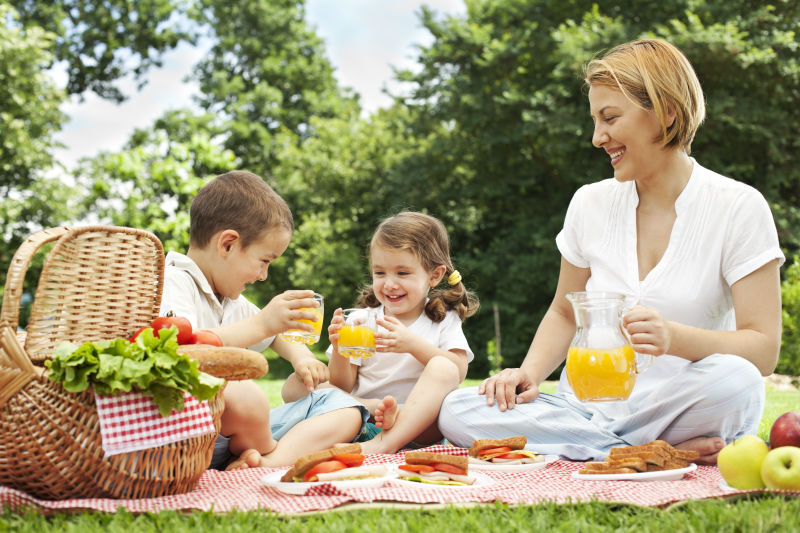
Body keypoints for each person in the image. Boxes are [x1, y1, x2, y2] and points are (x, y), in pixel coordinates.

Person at [438, 39, 784, 465]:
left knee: (739, 381)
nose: (597, 137)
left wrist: (674, 338)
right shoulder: (590, 203)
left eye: (610, 118)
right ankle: (638, 450)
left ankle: (604, 445)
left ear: (666, 113)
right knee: (457, 411)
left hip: (686, 404)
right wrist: (527, 374)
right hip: (583, 407)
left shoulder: (738, 207)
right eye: (595, 120)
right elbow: (565, 312)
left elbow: (764, 350)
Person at [160, 170, 368, 469]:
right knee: (246, 396)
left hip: (235, 436)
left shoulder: (229, 299)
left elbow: (276, 335)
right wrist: (262, 323)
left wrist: (302, 358)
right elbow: (182, 346)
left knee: (347, 408)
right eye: (264, 261)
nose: (263, 276)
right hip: (189, 433)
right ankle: (267, 452)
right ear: (228, 244)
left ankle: (264, 460)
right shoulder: (173, 282)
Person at [280, 211, 479, 454]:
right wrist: (341, 350)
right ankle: (369, 409)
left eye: (402, 273)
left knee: (443, 367)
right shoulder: (362, 319)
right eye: (380, 273)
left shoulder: (442, 319)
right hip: (364, 421)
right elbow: (342, 384)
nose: (389, 283)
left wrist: (412, 344)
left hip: (419, 429)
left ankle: (386, 443)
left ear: (434, 276)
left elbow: (457, 371)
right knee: (295, 385)